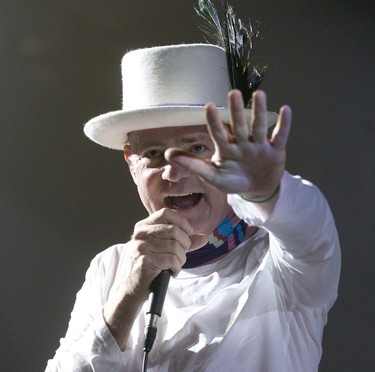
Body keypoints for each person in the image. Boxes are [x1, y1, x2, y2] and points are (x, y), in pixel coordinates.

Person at [45, 43, 340, 372]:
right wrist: (126, 296)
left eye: (196, 148)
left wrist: (264, 190)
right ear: (131, 162)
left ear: (231, 152)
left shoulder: (283, 264)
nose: (173, 171)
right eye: (154, 153)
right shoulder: (110, 268)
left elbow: (311, 228)